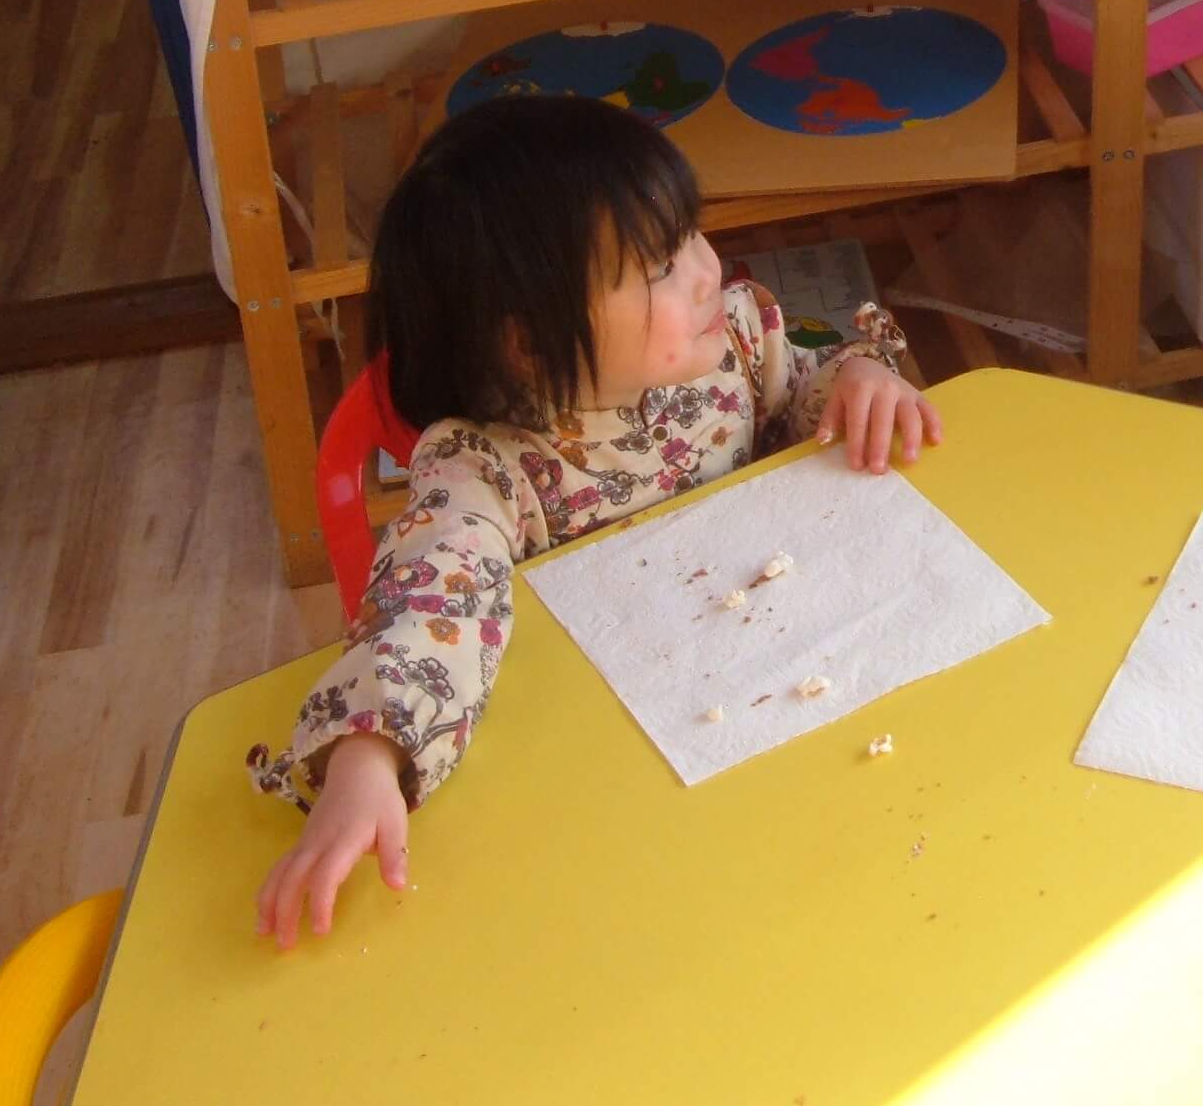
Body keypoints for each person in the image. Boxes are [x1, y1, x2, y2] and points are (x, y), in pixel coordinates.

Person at [247, 95, 938, 948]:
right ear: (532, 345)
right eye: (661, 265)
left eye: (691, 232)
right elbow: (432, 604)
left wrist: (859, 379)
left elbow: (802, 392)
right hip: (612, 773)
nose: (707, 270)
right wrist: (368, 758)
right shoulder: (485, 470)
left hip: (771, 688)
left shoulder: (734, 343)